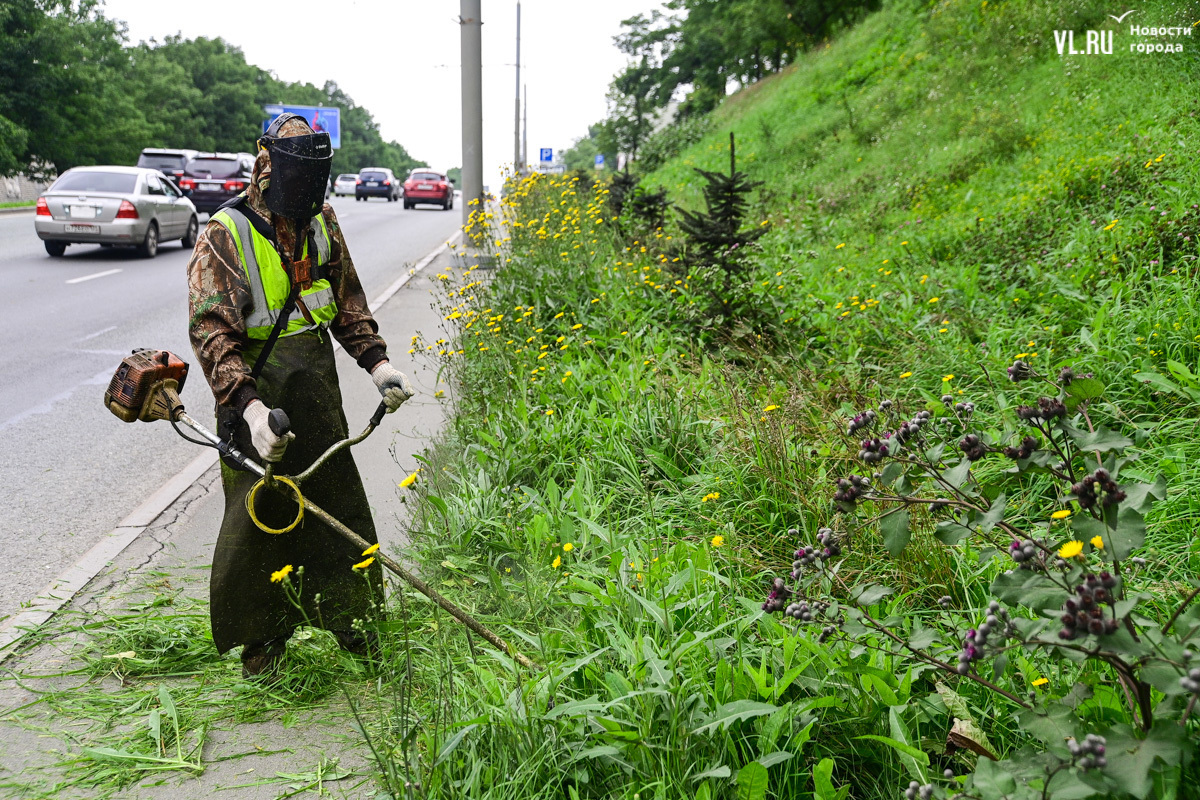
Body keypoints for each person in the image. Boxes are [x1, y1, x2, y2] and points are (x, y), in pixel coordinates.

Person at [186, 113, 414, 677]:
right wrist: (251, 408)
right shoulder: (225, 233)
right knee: (259, 517)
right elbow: (210, 331)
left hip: (314, 384)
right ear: (266, 163)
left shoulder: (321, 221)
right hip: (255, 395)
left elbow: (347, 300)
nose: (306, 196)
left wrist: (378, 364)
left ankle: (355, 623)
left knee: (339, 507)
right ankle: (263, 643)